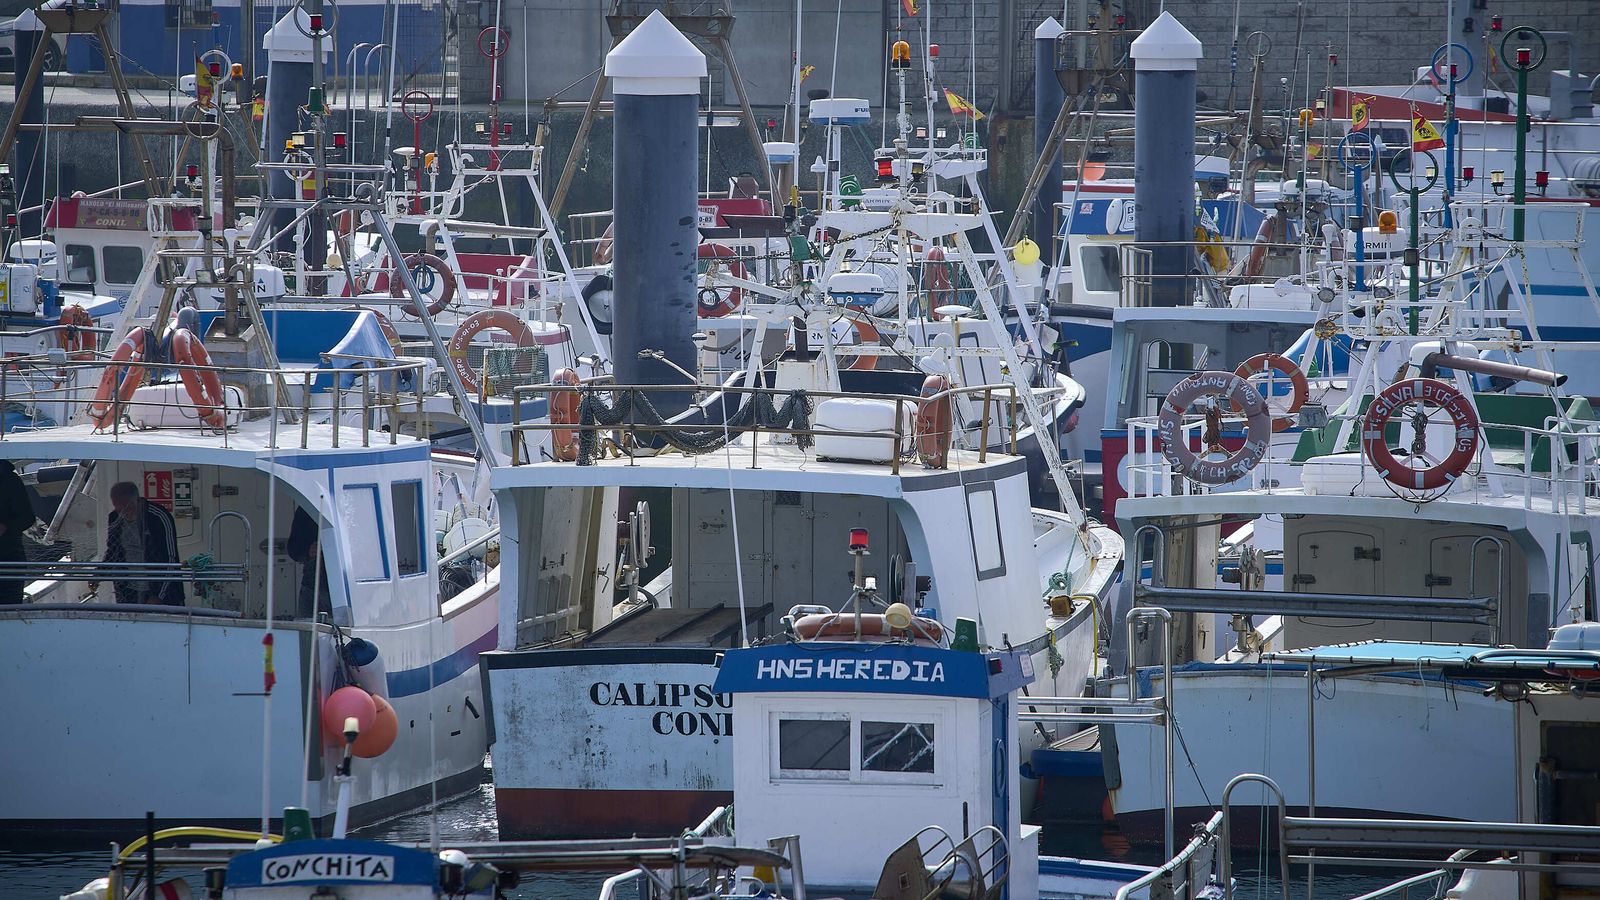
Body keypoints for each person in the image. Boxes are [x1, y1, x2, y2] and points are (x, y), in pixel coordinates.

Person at [97, 481, 184, 605]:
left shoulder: (158, 516)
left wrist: (159, 595)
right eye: (119, 509)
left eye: (128, 507)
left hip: (161, 591)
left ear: (137, 500)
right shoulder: (114, 518)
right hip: (128, 591)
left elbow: (171, 558)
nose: (124, 513)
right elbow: (112, 552)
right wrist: (99, 574)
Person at [0, 461, 36, 605]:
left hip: (8, 559)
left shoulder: (9, 480)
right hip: (10, 559)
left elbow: (27, 518)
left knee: (10, 608)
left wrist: (6, 527)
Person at [286, 506, 328, 618]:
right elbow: (293, 548)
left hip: (341, 589)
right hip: (310, 586)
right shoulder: (306, 508)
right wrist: (307, 551)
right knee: (305, 624)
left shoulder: (348, 506)